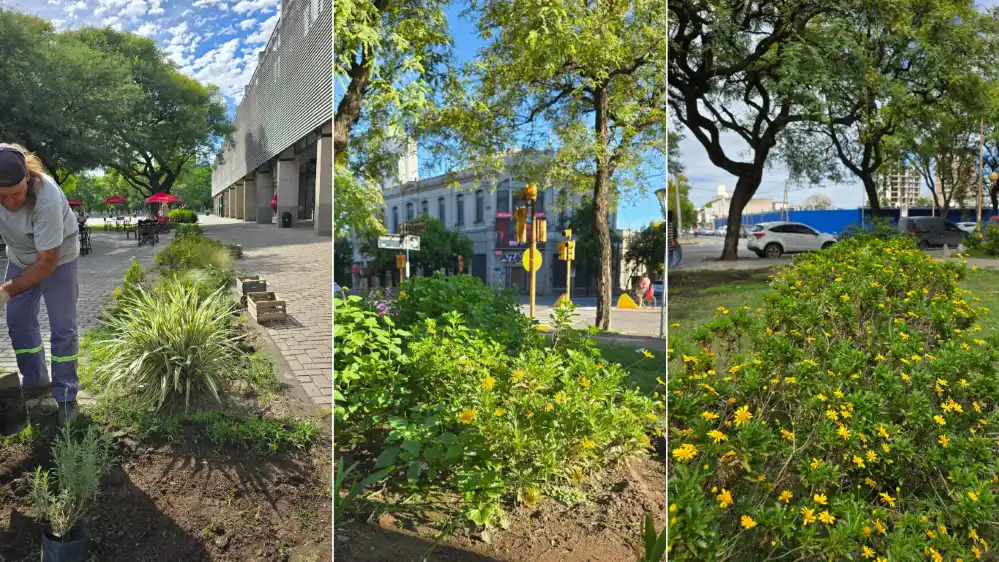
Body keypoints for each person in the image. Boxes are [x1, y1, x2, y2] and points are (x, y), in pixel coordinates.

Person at [0, 144, 81, 423]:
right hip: (20, 259)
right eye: (3, 197)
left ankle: (67, 396)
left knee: (63, 327)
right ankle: (35, 382)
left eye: (16, 194)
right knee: (19, 322)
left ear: (27, 178)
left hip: (58, 260)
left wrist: (5, 291)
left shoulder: (46, 195)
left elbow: (46, 263)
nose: (11, 202)